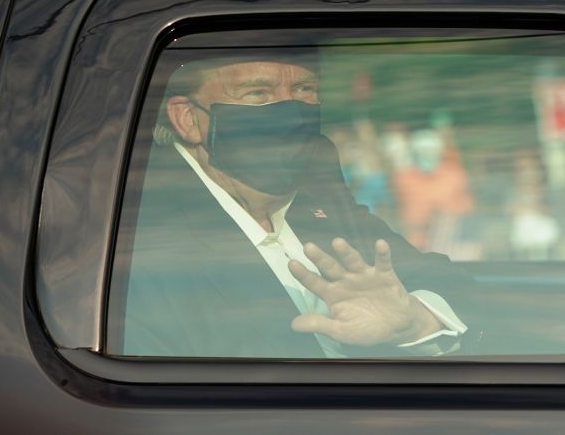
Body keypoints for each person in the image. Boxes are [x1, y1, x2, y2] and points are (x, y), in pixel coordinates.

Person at [109, 52, 469, 358]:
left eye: (304, 90)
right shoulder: (135, 229)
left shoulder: (316, 185)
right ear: (188, 119)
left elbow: (444, 280)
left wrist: (412, 323)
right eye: (257, 94)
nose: (291, 111)